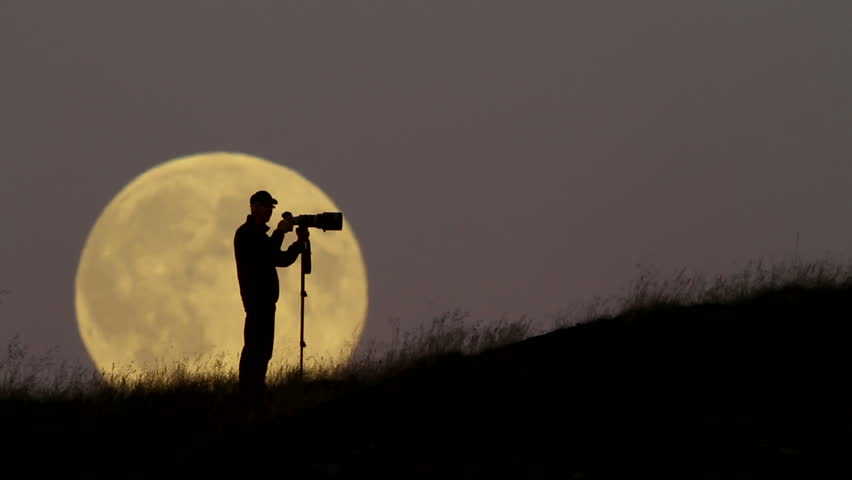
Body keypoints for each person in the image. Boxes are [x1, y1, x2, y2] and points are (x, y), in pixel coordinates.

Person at [234, 190, 309, 398]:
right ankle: (248, 392)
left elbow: (280, 259)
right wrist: (281, 232)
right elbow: (267, 253)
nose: (269, 210)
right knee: (254, 349)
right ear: (253, 208)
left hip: (266, 302)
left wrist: (298, 244)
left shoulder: (260, 236)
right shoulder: (246, 234)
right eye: (265, 206)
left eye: (271, 207)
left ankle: (256, 390)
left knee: (264, 350)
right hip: (256, 300)